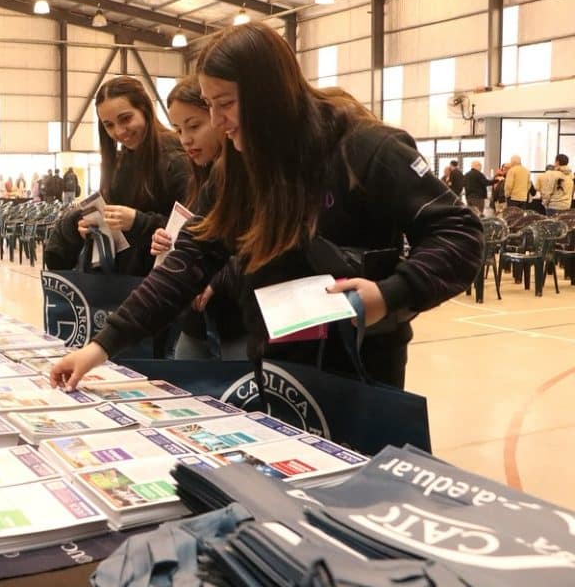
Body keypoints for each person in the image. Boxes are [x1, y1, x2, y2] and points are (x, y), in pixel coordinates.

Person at [51, 24, 483, 391]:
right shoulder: (239, 166)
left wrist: (390, 294)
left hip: (361, 369)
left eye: (226, 104)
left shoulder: (367, 148)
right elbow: (189, 258)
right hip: (276, 364)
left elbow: (460, 234)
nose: (218, 122)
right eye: (210, 106)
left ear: (269, 94)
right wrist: (100, 346)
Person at [45, 76, 190, 275]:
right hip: (122, 282)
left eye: (125, 119)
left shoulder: (176, 160)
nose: (119, 132)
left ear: (145, 110)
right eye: (109, 125)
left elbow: (194, 230)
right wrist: (90, 227)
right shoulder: (120, 163)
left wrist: (138, 222)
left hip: (161, 283)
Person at [148, 75, 245, 360]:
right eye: (178, 130)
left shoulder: (242, 180)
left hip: (238, 325)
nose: (186, 139)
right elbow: (195, 241)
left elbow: (253, 249)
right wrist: (166, 241)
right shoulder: (197, 180)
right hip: (196, 323)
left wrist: (219, 279)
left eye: (194, 126)